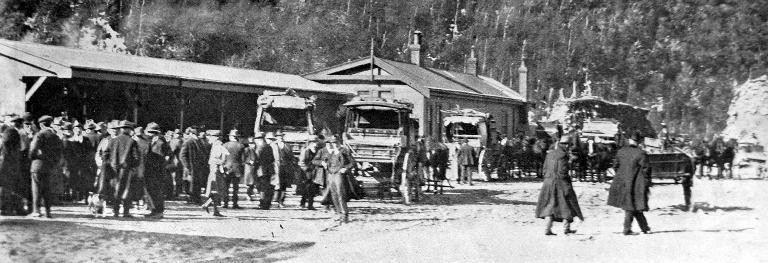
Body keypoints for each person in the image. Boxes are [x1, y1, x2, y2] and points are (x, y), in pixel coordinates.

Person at [535, 135, 584, 236]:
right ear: (566, 145)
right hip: (561, 182)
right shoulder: (564, 156)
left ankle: (547, 229)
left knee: (549, 205)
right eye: (568, 145)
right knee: (567, 203)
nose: (569, 147)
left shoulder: (550, 154)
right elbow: (563, 171)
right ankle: (566, 228)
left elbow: (544, 169)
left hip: (548, 183)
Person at [608, 132, 652, 235]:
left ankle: (645, 228)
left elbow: (615, 166)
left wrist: (622, 175)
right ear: (639, 142)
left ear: (629, 140)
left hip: (622, 183)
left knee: (632, 205)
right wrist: (646, 182)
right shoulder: (641, 153)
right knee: (631, 206)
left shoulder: (621, 152)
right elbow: (646, 169)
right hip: (636, 184)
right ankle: (626, 230)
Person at [28, 115, 63, 218]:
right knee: (47, 189)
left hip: (37, 165)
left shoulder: (39, 135)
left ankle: (36, 211)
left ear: (41, 124)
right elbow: (59, 152)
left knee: (36, 188)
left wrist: (33, 157)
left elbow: (33, 150)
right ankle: (48, 211)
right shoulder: (55, 136)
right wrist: (53, 162)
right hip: (49, 166)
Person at [105, 120, 141, 218]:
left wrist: (109, 164)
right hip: (126, 169)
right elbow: (136, 157)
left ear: (121, 129)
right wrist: (133, 166)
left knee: (115, 190)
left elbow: (105, 154)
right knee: (127, 190)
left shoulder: (112, 140)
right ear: (129, 130)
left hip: (113, 169)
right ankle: (125, 212)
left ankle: (115, 211)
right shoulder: (132, 141)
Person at [316, 135, 355, 223]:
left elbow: (352, 162)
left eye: (335, 142)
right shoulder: (331, 152)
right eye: (332, 143)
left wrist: (346, 168)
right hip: (331, 174)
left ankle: (345, 215)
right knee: (333, 195)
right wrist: (324, 164)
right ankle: (339, 213)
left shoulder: (344, 150)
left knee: (340, 194)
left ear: (338, 142)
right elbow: (325, 161)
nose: (333, 144)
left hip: (339, 174)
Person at [144, 123, 171, 218]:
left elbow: (161, 158)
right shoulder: (155, 141)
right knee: (152, 191)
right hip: (153, 171)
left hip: (155, 171)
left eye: (149, 132)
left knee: (156, 191)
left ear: (153, 133)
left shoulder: (159, 143)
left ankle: (158, 211)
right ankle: (154, 210)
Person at [201, 130, 227, 217]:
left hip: (215, 171)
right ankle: (211, 208)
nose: (209, 138)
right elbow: (217, 160)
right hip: (215, 171)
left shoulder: (217, 146)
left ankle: (211, 208)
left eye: (211, 136)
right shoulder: (217, 146)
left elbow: (218, 160)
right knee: (216, 191)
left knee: (216, 191)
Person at [0, 120, 22, 215]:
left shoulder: (3, 144)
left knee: (3, 187)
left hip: (3, 166)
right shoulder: (16, 145)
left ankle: (3, 208)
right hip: (14, 166)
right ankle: (10, 208)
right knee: (12, 187)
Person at [180, 127, 207, 204]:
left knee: (197, 183)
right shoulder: (188, 142)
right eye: (195, 134)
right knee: (192, 184)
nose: (196, 135)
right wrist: (187, 166)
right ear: (191, 134)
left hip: (197, 166)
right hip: (191, 167)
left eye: (197, 134)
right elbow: (182, 156)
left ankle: (196, 198)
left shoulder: (198, 141)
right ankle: (192, 199)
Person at [298, 135, 324, 210]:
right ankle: (304, 203)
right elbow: (301, 163)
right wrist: (306, 169)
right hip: (307, 172)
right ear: (310, 142)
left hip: (315, 172)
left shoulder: (318, 150)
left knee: (311, 189)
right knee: (307, 188)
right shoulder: (305, 150)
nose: (315, 144)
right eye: (313, 142)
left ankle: (309, 204)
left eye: (316, 142)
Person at [222, 129, 246, 209]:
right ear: (237, 137)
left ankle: (225, 203)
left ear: (230, 137)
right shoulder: (241, 146)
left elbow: (223, 157)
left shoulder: (225, 145)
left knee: (226, 186)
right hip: (237, 168)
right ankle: (235, 204)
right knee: (236, 187)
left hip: (227, 167)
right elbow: (243, 159)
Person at [272, 130, 295, 208]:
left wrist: (291, 165)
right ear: (276, 137)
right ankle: (275, 200)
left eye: (281, 136)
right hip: (276, 167)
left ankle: (281, 201)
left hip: (285, 167)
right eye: (279, 136)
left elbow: (291, 157)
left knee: (284, 185)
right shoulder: (273, 145)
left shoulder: (287, 146)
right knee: (276, 183)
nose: (280, 138)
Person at [255, 132, 276, 210]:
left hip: (261, 170)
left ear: (259, 139)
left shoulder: (259, 148)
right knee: (266, 186)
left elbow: (256, 159)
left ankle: (262, 203)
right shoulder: (269, 147)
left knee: (261, 187)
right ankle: (266, 204)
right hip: (268, 170)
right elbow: (272, 159)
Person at [242, 135, 259, 202]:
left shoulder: (256, 150)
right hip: (248, 167)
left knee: (252, 183)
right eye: (251, 144)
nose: (253, 145)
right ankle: (248, 195)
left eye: (253, 144)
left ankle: (250, 194)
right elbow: (243, 159)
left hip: (254, 167)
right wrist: (249, 161)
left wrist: (256, 161)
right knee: (249, 183)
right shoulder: (246, 150)